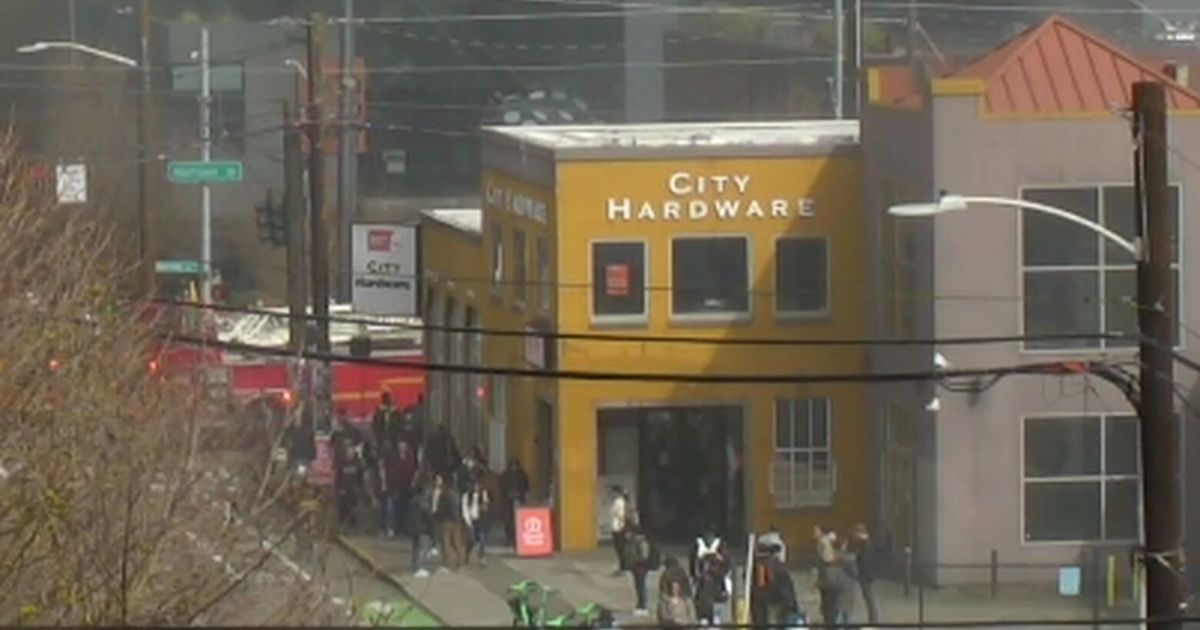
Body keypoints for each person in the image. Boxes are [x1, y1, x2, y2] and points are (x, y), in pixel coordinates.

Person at [750, 535, 799, 629]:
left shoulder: (756, 565)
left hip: (760, 602)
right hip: (775, 601)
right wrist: (792, 604)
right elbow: (786, 585)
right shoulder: (776, 565)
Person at [431, 474, 465, 570]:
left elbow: (443, 508)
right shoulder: (456, 493)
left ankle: (446, 564)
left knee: (445, 543)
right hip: (456, 520)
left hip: (447, 521)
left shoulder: (445, 494)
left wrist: (438, 515)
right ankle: (460, 562)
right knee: (456, 542)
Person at [621, 523, 654, 617]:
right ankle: (640, 605)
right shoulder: (631, 542)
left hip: (640, 567)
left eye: (627, 533)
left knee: (641, 587)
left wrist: (636, 561)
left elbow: (644, 555)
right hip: (635, 567)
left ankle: (643, 606)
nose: (625, 535)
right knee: (638, 587)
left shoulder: (640, 542)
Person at [850, 524, 880, 624]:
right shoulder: (866, 544)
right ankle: (873, 619)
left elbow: (864, 560)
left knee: (869, 598)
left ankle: (873, 620)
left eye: (856, 533)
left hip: (865, 575)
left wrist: (860, 573)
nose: (854, 536)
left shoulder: (865, 544)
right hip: (867, 574)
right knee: (869, 598)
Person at [501, 458, 530, 548]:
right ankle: (509, 538)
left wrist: (521, 494)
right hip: (508, 501)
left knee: (518, 520)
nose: (514, 468)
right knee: (508, 520)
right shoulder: (506, 475)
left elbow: (526, 486)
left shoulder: (522, 475)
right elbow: (502, 488)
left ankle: (516, 538)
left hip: (518, 499)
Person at [462, 477, 491, 566]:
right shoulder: (467, 496)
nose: (477, 487)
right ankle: (467, 554)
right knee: (472, 540)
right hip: (471, 519)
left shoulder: (483, 494)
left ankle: (482, 558)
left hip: (481, 519)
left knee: (482, 539)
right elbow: (465, 509)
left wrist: (484, 506)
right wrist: (468, 521)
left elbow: (487, 504)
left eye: (478, 485)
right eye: (475, 485)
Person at [610, 485, 631, 575]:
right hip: (619, 527)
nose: (612, 494)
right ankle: (622, 567)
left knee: (620, 549)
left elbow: (621, 515)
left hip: (619, 528)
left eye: (613, 492)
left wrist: (622, 526)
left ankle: (623, 568)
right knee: (620, 549)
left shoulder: (619, 502)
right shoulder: (621, 501)